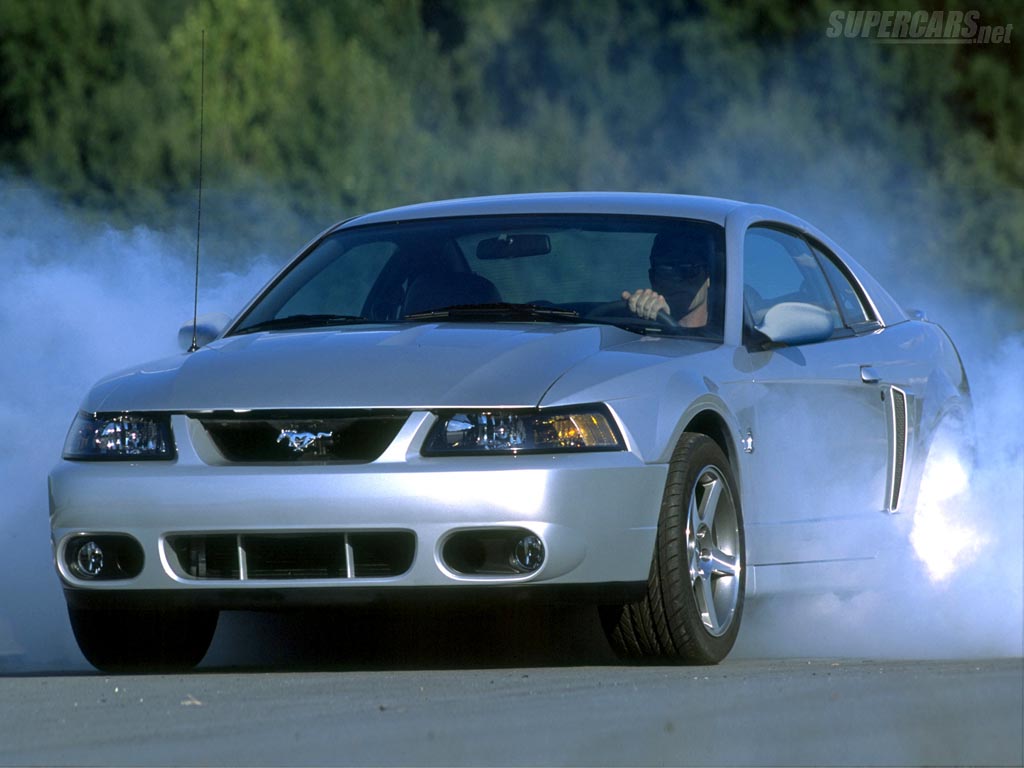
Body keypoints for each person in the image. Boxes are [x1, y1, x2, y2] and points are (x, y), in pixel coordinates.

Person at [621, 230, 713, 328]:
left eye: (688, 270)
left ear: (708, 276)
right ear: (653, 279)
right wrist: (643, 325)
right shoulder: (636, 331)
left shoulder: (728, 331)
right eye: (666, 270)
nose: (677, 280)